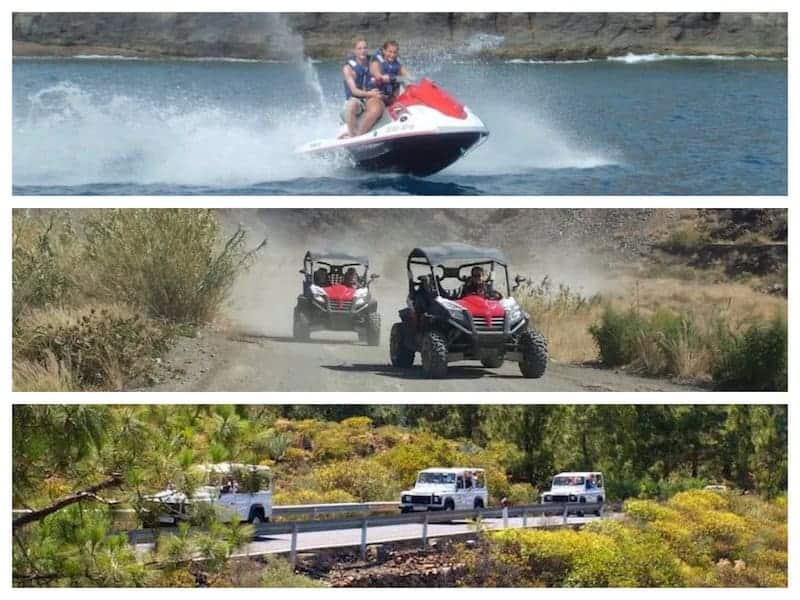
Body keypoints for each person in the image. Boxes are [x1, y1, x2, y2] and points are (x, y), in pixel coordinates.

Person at [341, 37, 385, 138]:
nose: (363, 51)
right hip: (357, 99)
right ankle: (352, 136)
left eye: (365, 48)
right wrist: (370, 93)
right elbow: (354, 90)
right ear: (354, 50)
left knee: (376, 109)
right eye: (359, 48)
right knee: (351, 105)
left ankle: (360, 133)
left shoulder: (373, 62)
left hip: (371, 97)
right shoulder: (348, 68)